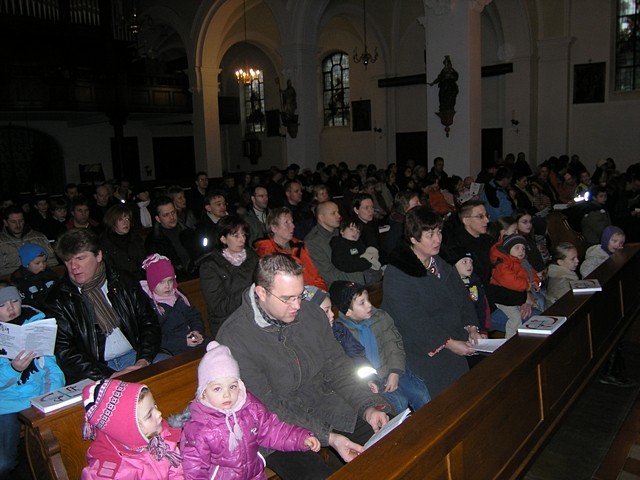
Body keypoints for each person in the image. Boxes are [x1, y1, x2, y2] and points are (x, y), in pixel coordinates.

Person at [216, 253, 392, 478]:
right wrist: (328, 437)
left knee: (393, 441)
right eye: (287, 298)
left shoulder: (311, 314)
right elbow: (267, 407)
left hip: (323, 402)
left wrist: (367, 405)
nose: (297, 305)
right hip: (273, 429)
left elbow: (338, 366)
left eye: (299, 295)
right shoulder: (234, 338)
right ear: (261, 293)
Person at [178, 341, 321, 479]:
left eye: (232, 386)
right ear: (203, 392)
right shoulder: (198, 428)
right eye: (217, 388)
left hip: (254, 475)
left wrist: (300, 438)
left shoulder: (250, 408)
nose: (227, 394)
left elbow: (272, 430)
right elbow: (194, 470)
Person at [382, 206, 484, 398]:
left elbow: (463, 299)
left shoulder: (441, 264)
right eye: (430, 235)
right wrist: (450, 343)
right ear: (413, 238)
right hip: (421, 348)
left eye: (439, 232)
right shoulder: (398, 273)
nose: (438, 239)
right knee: (448, 397)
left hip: (452, 337)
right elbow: (413, 321)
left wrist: (471, 328)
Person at [44, 229, 161, 384]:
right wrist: (107, 375)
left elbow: (149, 322)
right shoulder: (58, 299)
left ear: (98, 255)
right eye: (67, 260)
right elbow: (65, 351)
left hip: (136, 356)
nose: (73, 267)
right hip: (93, 371)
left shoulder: (124, 281)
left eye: (80, 258)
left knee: (171, 371)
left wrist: (143, 360)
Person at [330, 281, 431, 413]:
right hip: (373, 380)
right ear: (348, 311)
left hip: (393, 367)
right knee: (398, 404)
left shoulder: (380, 317)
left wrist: (395, 372)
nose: (369, 305)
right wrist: (369, 382)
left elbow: (393, 344)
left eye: (368, 299)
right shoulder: (342, 332)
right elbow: (352, 363)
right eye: (362, 303)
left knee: (421, 395)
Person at [0, 285, 65, 479]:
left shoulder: (35, 325)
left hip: (39, 395)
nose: (11, 308)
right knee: (3, 463)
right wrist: (14, 369)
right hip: (6, 403)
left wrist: (52, 393)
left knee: (61, 446)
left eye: (15, 301)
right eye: (2, 305)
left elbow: (51, 367)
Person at [81, 379, 184, 479]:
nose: (159, 413)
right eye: (149, 415)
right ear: (128, 430)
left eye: (155, 406)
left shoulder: (163, 441)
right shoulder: (112, 472)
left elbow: (176, 474)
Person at [198, 215, 258, 337]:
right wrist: (251, 293)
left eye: (243, 234)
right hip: (227, 323)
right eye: (236, 236)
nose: (242, 240)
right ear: (223, 239)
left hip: (254, 316)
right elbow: (219, 307)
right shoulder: (210, 266)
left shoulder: (252, 257)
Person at [140, 254, 205, 356]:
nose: (167, 286)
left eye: (170, 281)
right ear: (152, 283)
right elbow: (155, 337)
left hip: (189, 340)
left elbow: (194, 315)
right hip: (170, 350)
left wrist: (196, 331)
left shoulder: (178, 296)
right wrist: (182, 341)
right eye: (161, 282)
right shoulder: (149, 306)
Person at [254, 207, 327, 290]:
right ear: (274, 228)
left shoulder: (299, 246)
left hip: (308, 292)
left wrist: (322, 292)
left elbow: (315, 276)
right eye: (286, 223)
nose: (293, 226)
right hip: (289, 295)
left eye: (292, 222)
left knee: (325, 300)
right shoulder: (266, 251)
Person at [489, 234, 542, 339]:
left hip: (518, 295)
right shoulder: (503, 265)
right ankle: (510, 340)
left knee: (538, 305)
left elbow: (531, 272)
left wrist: (535, 281)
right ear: (508, 250)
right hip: (504, 299)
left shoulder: (521, 262)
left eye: (523, 248)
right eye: (517, 248)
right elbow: (510, 282)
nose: (521, 251)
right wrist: (527, 285)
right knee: (515, 317)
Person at [306, 201, 365, 287]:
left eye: (338, 212)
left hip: (356, 276)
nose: (339, 216)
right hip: (339, 287)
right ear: (321, 217)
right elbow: (329, 274)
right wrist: (360, 277)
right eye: (333, 213)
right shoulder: (313, 242)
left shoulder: (341, 232)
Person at [145, 196, 197, 280]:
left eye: (173, 212)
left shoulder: (188, 232)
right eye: (166, 215)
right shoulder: (153, 241)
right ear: (158, 218)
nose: (172, 217)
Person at [443, 248, 491, 334]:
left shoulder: (475, 283)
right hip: (457, 331)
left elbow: (482, 306)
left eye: (471, 262)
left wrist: (484, 330)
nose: (469, 265)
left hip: (477, 328)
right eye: (464, 262)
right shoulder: (448, 285)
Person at [0, 205, 57, 276]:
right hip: (11, 281)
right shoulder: (1, 242)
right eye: (13, 222)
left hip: (42, 277)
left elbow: (53, 261)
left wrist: (41, 267)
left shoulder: (39, 237)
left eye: (21, 221)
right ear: (5, 222)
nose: (18, 225)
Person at [99, 204, 147, 280]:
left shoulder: (135, 239)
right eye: (121, 219)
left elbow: (144, 261)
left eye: (128, 219)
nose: (126, 223)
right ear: (112, 221)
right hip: (120, 283)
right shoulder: (104, 243)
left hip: (141, 280)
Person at [330, 219, 382, 285]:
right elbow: (344, 264)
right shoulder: (339, 244)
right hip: (356, 275)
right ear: (342, 231)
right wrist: (367, 263)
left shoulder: (359, 244)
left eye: (358, 232)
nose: (355, 233)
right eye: (352, 229)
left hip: (369, 270)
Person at [10, 243, 58, 310]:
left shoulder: (49, 274)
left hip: (54, 307)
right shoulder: (20, 279)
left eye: (44, 262)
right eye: (37, 263)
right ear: (27, 264)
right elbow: (26, 302)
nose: (42, 265)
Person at [545, 242, 580, 308]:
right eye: (572, 259)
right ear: (560, 262)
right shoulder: (562, 284)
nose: (577, 260)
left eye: (577, 257)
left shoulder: (561, 275)